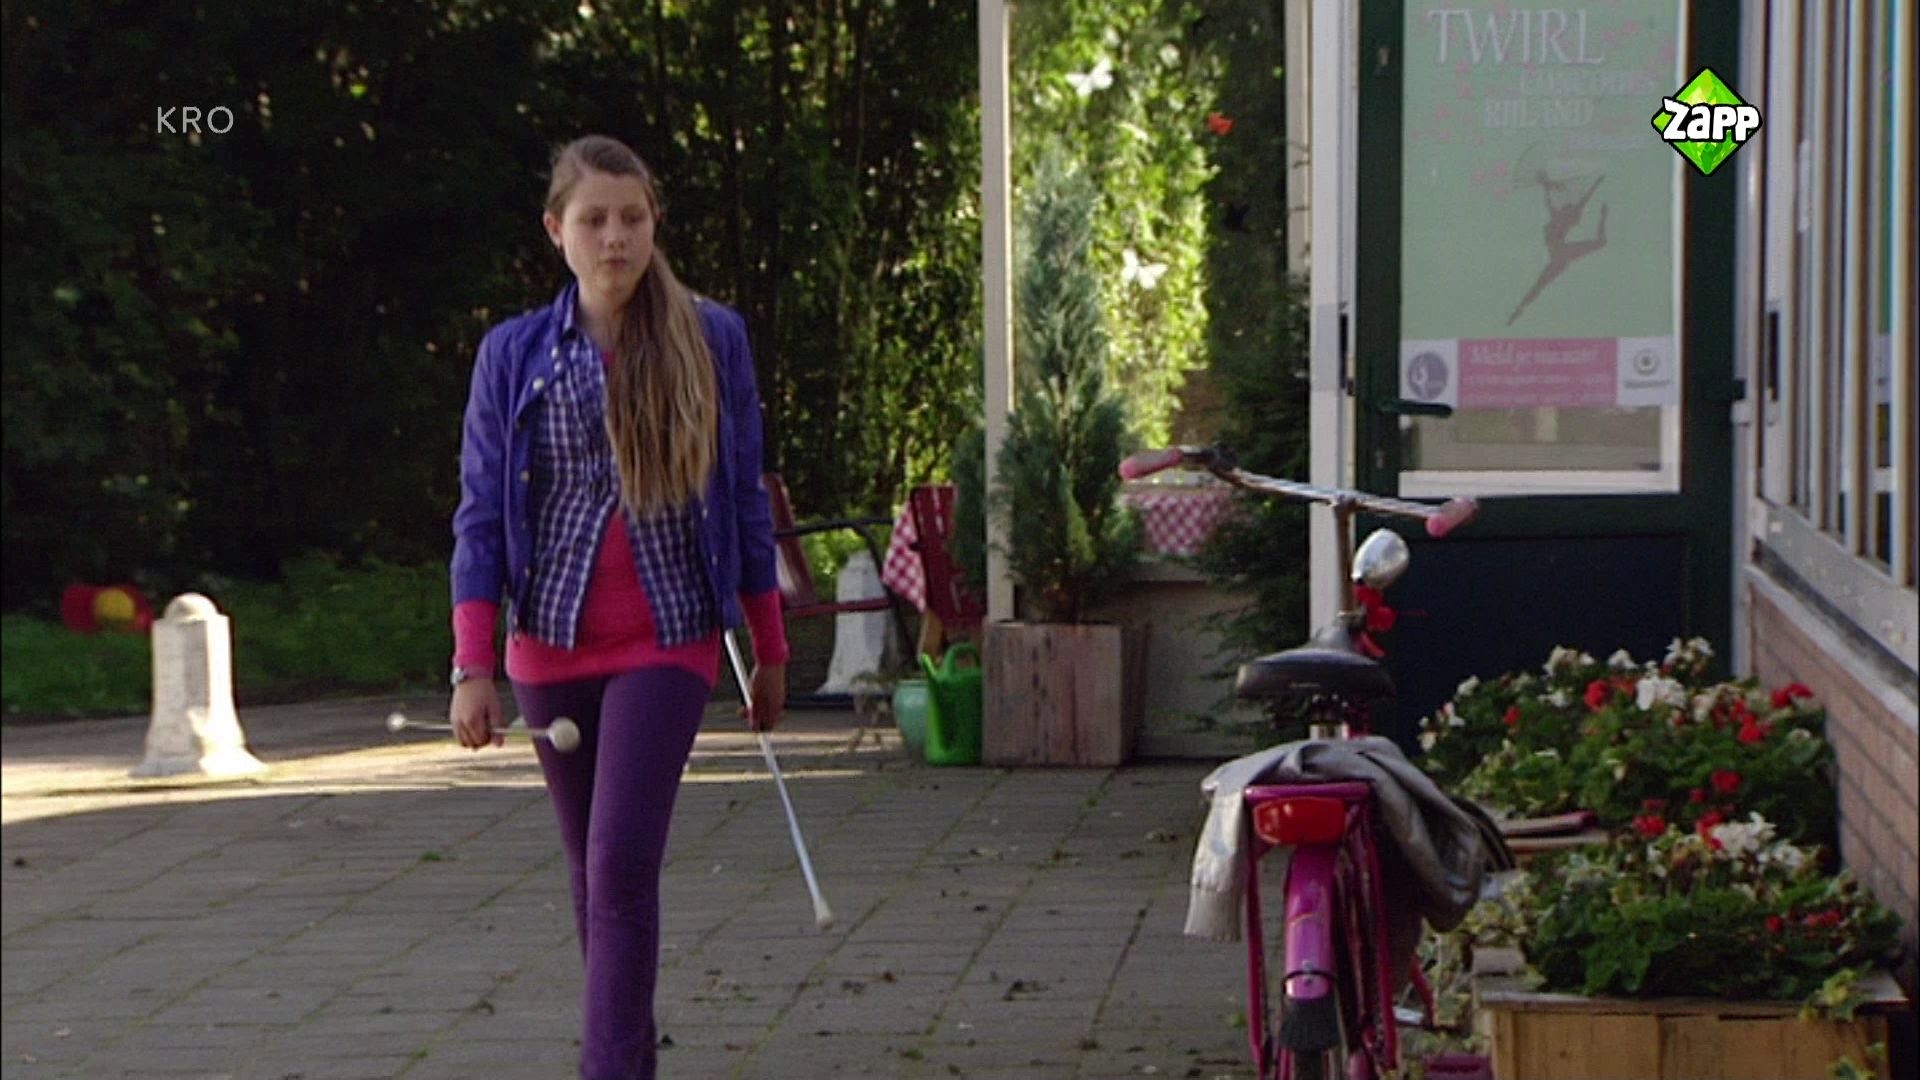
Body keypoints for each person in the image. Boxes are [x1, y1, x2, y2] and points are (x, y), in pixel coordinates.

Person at [447, 134, 789, 1080]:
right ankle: (627, 1051)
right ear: (555, 230)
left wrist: (770, 650)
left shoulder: (711, 337)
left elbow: (744, 499)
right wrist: (472, 665)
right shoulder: (512, 354)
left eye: (632, 218)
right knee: (591, 875)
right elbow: (480, 516)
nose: (615, 237)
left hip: (667, 641)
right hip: (547, 649)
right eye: (593, 219)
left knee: (620, 864)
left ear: (653, 224)